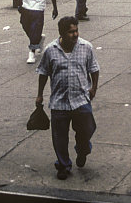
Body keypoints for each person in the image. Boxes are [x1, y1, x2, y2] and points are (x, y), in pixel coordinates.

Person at [36, 16, 100, 180]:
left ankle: (83, 150)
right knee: (60, 138)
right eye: (71, 32)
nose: (75, 34)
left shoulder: (86, 47)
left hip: (81, 100)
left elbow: (94, 69)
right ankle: (63, 165)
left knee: (87, 130)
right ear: (62, 34)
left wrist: (93, 88)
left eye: (76, 30)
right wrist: (39, 95)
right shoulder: (50, 50)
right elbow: (43, 73)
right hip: (59, 102)